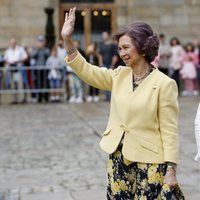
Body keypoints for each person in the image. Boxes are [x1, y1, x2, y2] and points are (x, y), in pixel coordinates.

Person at [61, 7, 185, 199]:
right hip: (118, 158)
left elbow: (169, 130)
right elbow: (87, 71)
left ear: (143, 47)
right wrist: (67, 40)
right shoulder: (119, 75)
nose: (122, 53)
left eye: (126, 47)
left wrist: (171, 170)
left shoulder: (165, 84)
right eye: (120, 48)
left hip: (150, 164)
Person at [4, 38, 28, 104]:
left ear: (16, 43)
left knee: (20, 83)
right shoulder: (8, 51)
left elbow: (25, 57)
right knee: (12, 84)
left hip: (18, 68)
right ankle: (14, 99)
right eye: (11, 43)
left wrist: (18, 61)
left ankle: (21, 98)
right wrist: (9, 62)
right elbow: (5, 59)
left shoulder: (20, 49)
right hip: (11, 69)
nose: (12, 44)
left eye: (14, 43)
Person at [99, 31, 119, 101]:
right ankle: (106, 96)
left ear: (108, 36)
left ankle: (111, 96)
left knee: (111, 80)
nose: (103, 36)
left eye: (105, 35)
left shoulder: (113, 45)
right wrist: (100, 63)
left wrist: (112, 65)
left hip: (111, 64)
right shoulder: (101, 45)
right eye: (102, 35)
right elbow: (100, 55)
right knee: (105, 80)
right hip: (104, 64)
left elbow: (115, 55)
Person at [31, 36, 50, 103]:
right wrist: (38, 49)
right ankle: (39, 97)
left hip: (45, 69)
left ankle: (46, 97)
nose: (40, 43)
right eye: (39, 42)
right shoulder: (35, 49)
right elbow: (33, 55)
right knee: (38, 83)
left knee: (45, 83)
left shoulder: (46, 49)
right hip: (37, 69)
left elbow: (48, 55)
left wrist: (42, 48)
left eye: (41, 42)